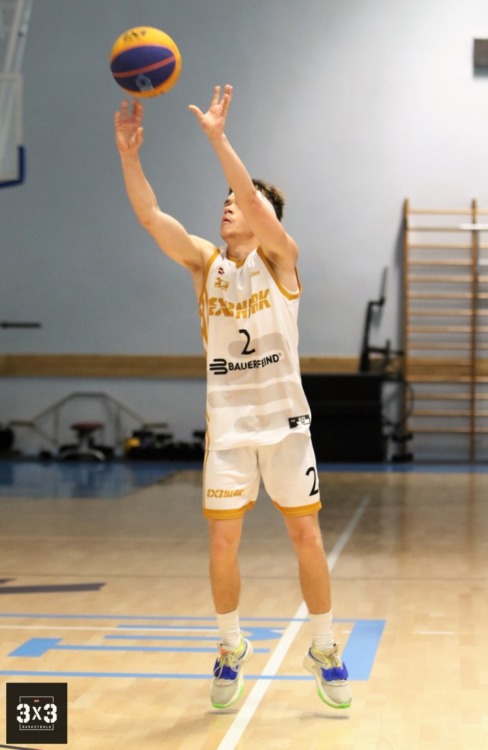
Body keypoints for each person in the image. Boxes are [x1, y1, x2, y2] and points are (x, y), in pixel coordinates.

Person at [114, 84, 351, 711]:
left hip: (286, 427)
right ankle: (229, 647)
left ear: (265, 217)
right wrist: (130, 156)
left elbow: (249, 195)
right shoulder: (206, 265)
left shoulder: (282, 259)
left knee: (306, 537)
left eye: (238, 202)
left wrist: (219, 140)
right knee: (223, 544)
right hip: (229, 431)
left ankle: (324, 647)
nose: (228, 206)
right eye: (222, 200)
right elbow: (151, 216)